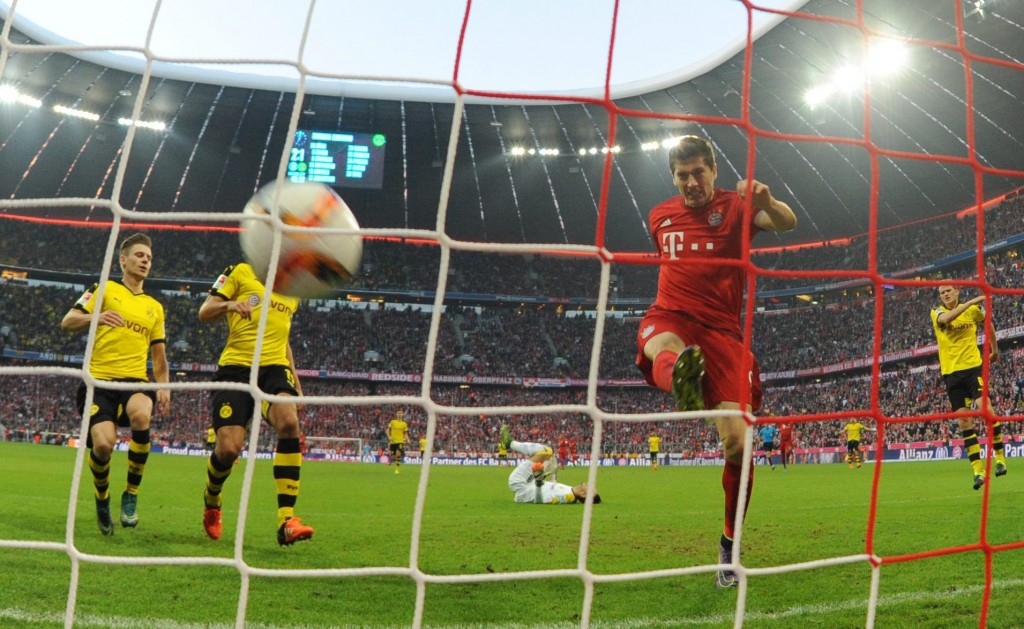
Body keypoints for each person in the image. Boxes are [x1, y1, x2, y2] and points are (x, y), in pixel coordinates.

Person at [635, 135, 796, 588]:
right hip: (671, 315)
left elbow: (787, 221)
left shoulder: (735, 206)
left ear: (713, 171)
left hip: (723, 334)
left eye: (698, 173)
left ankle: (729, 542)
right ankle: (680, 376)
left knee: (739, 446)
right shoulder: (659, 215)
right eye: (681, 175)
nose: (690, 182)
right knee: (663, 343)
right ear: (673, 177)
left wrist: (767, 201)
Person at [61, 233, 171, 536]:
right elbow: (68, 321)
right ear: (123, 260)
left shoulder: (154, 307)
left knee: (141, 416)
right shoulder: (104, 289)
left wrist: (164, 386)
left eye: (149, 257)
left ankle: (131, 494)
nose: (145, 261)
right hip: (98, 383)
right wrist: (96, 317)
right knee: (103, 445)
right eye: (139, 255)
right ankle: (102, 497)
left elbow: (159, 357)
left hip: (135, 381)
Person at [198, 262, 314, 546]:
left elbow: (283, 339)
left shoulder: (293, 291)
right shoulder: (240, 271)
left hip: (274, 368)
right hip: (235, 368)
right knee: (229, 448)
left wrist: (297, 385)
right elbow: (204, 312)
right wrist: (230, 305)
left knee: (289, 422)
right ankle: (212, 499)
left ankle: (286, 521)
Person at [930, 285, 1007, 489]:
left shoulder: (974, 311)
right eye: (942, 293)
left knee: (987, 411)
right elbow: (947, 319)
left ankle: (1000, 458)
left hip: (973, 369)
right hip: (952, 375)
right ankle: (978, 471)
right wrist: (971, 302)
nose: (945, 294)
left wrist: (994, 349)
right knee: (964, 422)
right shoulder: (937, 312)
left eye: (949, 290)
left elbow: (988, 323)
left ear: (957, 292)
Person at [500, 425, 600, 505]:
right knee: (549, 453)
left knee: (545, 451)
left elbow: (539, 501)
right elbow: (548, 489)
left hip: (521, 483)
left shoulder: (567, 497)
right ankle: (510, 443)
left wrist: (538, 482)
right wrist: (551, 475)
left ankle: (510, 443)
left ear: (583, 494)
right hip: (527, 485)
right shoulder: (570, 491)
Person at [387, 409, 409, 474]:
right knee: (393, 457)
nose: (399, 414)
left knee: (398, 453)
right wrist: (389, 436)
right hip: (393, 442)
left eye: (400, 413)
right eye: (398, 413)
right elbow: (388, 430)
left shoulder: (404, 424)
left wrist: (407, 439)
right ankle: (390, 460)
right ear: (396, 414)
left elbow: (405, 433)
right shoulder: (392, 422)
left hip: (400, 441)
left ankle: (397, 469)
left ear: (402, 415)